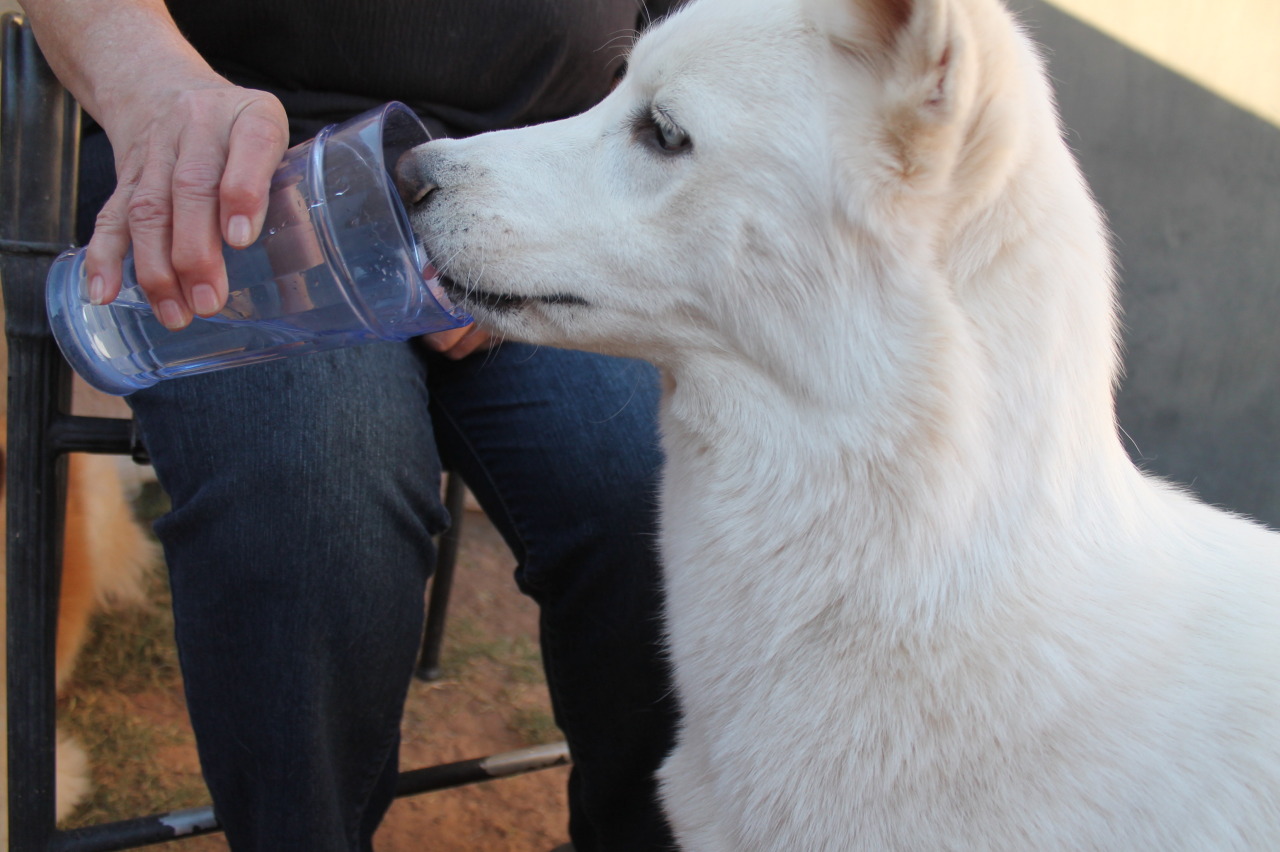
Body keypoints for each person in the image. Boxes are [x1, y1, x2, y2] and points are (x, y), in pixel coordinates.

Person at [22, 1, 684, 849]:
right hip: (236, 174)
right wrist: (153, 86)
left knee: (655, 496)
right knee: (315, 496)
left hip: (550, 179)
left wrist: (552, 195)